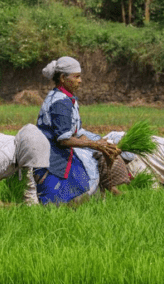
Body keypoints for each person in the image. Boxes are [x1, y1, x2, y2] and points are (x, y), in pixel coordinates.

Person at [35, 56, 126, 205]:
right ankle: (101, 193)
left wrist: (98, 140)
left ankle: (110, 191)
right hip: (55, 153)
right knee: (90, 169)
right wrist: (95, 144)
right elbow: (64, 139)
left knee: (106, 149)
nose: (80, 80)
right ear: (63, 78)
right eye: (76, 77)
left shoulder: (65, 97)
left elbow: (76, 130)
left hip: (60, 147)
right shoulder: (61, 102)